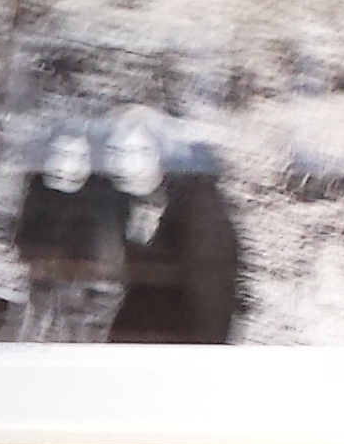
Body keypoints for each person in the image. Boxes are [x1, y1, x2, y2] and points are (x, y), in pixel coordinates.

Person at [102, 109, 242, 345]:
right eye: (116, 152)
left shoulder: (197, 210)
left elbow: (212, 303)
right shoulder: (120, 202)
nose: (125, 164)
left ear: (162, 154)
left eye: (140, 151)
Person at [8, 122, 122, 341]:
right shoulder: (35, 190)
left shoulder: (102, 200)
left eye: (80, 157)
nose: (67, 165)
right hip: (38, 300)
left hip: (80, 305)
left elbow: (104, 275)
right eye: (60, 154)